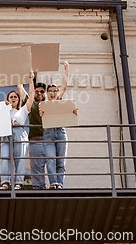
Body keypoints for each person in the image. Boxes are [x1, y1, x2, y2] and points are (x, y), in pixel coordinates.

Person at [0, 71, 35, 190]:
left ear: (19, 100)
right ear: (8, 99)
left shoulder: (24, 110)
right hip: (6, 133)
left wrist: (31, 81)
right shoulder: (3, 109)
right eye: (11, 97)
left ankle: (18, 183)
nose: (13, 98)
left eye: (15, 97)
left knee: (20, 159)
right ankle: (5, 183)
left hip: (20, 132)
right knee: (4, 158)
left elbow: (31, 95)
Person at [38, 61, 78, 190]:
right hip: (48, 134)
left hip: (60, 132)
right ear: (47, 93)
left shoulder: (60, 101)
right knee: (50, 160)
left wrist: (66, 70)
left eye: (55, 91)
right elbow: (41, 116)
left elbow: (64, 86)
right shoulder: (43, 104)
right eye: (50, 91)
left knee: (61, 161)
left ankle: (60, 184)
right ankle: (53, 183)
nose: (53, 93)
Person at [18, 78, 47, 190]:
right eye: (37, 91)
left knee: (52, 165)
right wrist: (24, 75)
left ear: (45, 94)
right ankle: (38, 188)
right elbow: (20, 88)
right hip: (36, 140)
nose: (39, 93)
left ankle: (55, 185)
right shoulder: (31, 104)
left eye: (42, 91)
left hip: (51, 140)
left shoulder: (51, 105)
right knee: (36, 167)